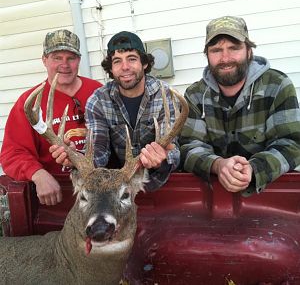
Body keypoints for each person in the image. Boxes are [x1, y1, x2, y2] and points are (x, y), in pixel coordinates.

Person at [179, 15, 300, 196]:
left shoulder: (277, 85)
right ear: (207, 55)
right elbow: (188, 145)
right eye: (216, 50)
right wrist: (218, 165)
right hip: (213, 193)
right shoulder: (195, 95)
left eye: (234, 48)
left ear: (249, 51)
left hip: (266, 192)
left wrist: (253, 169)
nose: (225, 58)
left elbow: (292, 143)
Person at [51, 31, 180, 191]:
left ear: (144, 63)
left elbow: (173, 150)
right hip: (117, 189)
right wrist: (76, 158)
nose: (125, 67)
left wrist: (163, 158)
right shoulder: (98, 101)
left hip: (158, 183)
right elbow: (98, 151)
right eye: (117, 61)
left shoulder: (165, 95)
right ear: (111, 68)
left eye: (132, 59)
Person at [0, 29, 102, 205]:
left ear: (79, 60)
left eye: (71, 58)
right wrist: (38, 174)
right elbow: (13, 153)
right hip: (57, 193)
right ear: (44, 60)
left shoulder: (98, 92)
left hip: (99, 189)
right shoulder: (30, 102)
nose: (65, 65)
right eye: (57, 57)